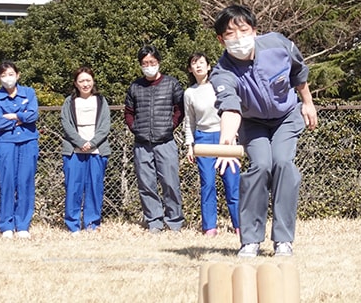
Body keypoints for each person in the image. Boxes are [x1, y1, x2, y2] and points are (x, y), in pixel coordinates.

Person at [210, 4, 318, 258]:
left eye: (243, 31)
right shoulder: (222, 71)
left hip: (286, 117)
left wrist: (308, 103)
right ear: (220, 39)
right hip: (253, 122)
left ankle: (283, 240)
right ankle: (250, 240)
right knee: (259, 166)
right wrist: (227, 142)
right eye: (230, 35)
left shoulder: (278, 45)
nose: (238, 39)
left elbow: (298, 73)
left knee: (282, 163)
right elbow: (230, 108)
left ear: (255, 30)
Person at [124, 45, 185, 233]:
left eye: (152, 62)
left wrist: (170, 127)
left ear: (158, 62)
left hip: (165, 141)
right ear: (140, 65)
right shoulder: (135, 86)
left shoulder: (172, 84)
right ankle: (154, 222)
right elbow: (128, 112)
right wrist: (135, 129)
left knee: (170, 182)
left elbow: (180, 110)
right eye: (145, 63)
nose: (149, 66)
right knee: (146, 184)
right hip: (142, 143)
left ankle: (174, 221)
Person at [183, 52, 240, 236]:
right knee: (207, 183)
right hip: (203, 138)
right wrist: (189, 144)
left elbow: (233, 108)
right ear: (190, 69)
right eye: (194, 63)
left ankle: (239, 225)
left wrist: (233, 134)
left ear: (209, 66)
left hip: (225, 136)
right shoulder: (189, 93)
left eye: (201, 62)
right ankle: (209, 227)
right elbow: (189, 121)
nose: (198, 66)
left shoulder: (219, 85)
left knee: (232, 183)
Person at [0, 61, 39, 239]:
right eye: (3, 75)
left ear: (18, 75)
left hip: (28, 141)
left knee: (25, 182)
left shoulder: (29, 92)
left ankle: (23, 225)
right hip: (6, 142)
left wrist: (15, 116)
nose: (7, 78)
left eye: (11, 74)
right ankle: (6, 225)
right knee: (6, 182)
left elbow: (34, 114)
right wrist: (22, 118)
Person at [60, 67, 111, 233]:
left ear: (93, 81)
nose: (85, 84)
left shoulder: (101, 101)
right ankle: (72, 225)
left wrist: (93, 142)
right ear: (76, 83)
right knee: (73, 188)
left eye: (88, 80)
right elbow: (66, 124)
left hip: (97, 150)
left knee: (95, 188)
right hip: (74, 151)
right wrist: (80, 142)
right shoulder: (69, 101)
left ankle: (91, 224)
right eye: (81, 81)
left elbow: (105, 126)